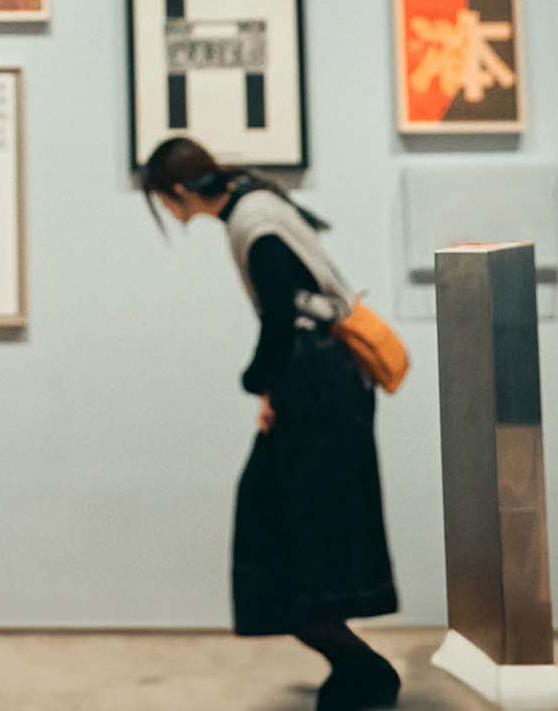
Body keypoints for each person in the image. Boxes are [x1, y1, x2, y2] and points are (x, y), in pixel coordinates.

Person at [140, 137, 400, 711]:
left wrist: (257, 380)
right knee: (301, 533)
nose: (167, 210)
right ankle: (355, 667)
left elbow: (282, 318)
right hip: (325, 382)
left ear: (179, 192)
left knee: (284, 536)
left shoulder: (252, 224)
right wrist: (270, 387)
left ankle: (365, 671)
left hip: (318, 388)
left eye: (163, 199)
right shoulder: (256, 203)